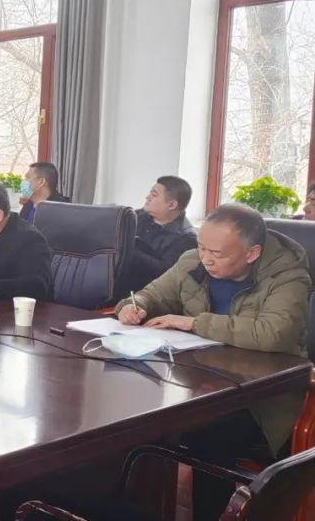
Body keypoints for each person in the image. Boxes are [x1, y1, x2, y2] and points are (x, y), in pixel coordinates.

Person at [115, 203, 309, 519]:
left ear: (252, 253)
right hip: (198, 381)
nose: (205, 259)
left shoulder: (287, 276)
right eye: (201, 247)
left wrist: (194, 323)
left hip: (263, 401)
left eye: (217, 254)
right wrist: (134, 307)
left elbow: (274, 333)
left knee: (206, 432)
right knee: (135, 416)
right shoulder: (193, 261)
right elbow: (153, 294)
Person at [126, 176, 198, 290]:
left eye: (154, 195)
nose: (147, 197)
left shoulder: (186, 238)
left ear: (172, 205)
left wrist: (129, 250)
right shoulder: (138, 216)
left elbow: (165, 273)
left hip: (148, 291)